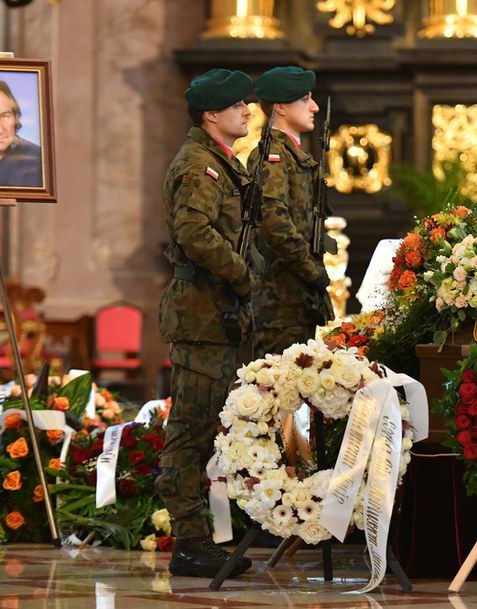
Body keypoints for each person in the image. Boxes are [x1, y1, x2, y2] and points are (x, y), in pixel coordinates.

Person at [156, 68, 255, 579]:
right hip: (200, 315)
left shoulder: (222, 163)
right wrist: (243, 275)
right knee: (190, 431)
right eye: (237, 105)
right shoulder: (199, 165)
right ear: (211, 114)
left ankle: (202, 538)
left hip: (217, 315)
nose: (248, 110)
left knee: (208, 427)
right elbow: (193, 232)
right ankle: (189, 542)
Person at [249, 66, 332, 359]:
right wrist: (312, 272)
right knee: (273, 394)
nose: (315, 106)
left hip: (294, 296)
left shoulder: (291, 155)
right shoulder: (272, 156)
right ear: (281, 106)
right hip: (278, 301)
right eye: (305, 98)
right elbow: (273, 222)